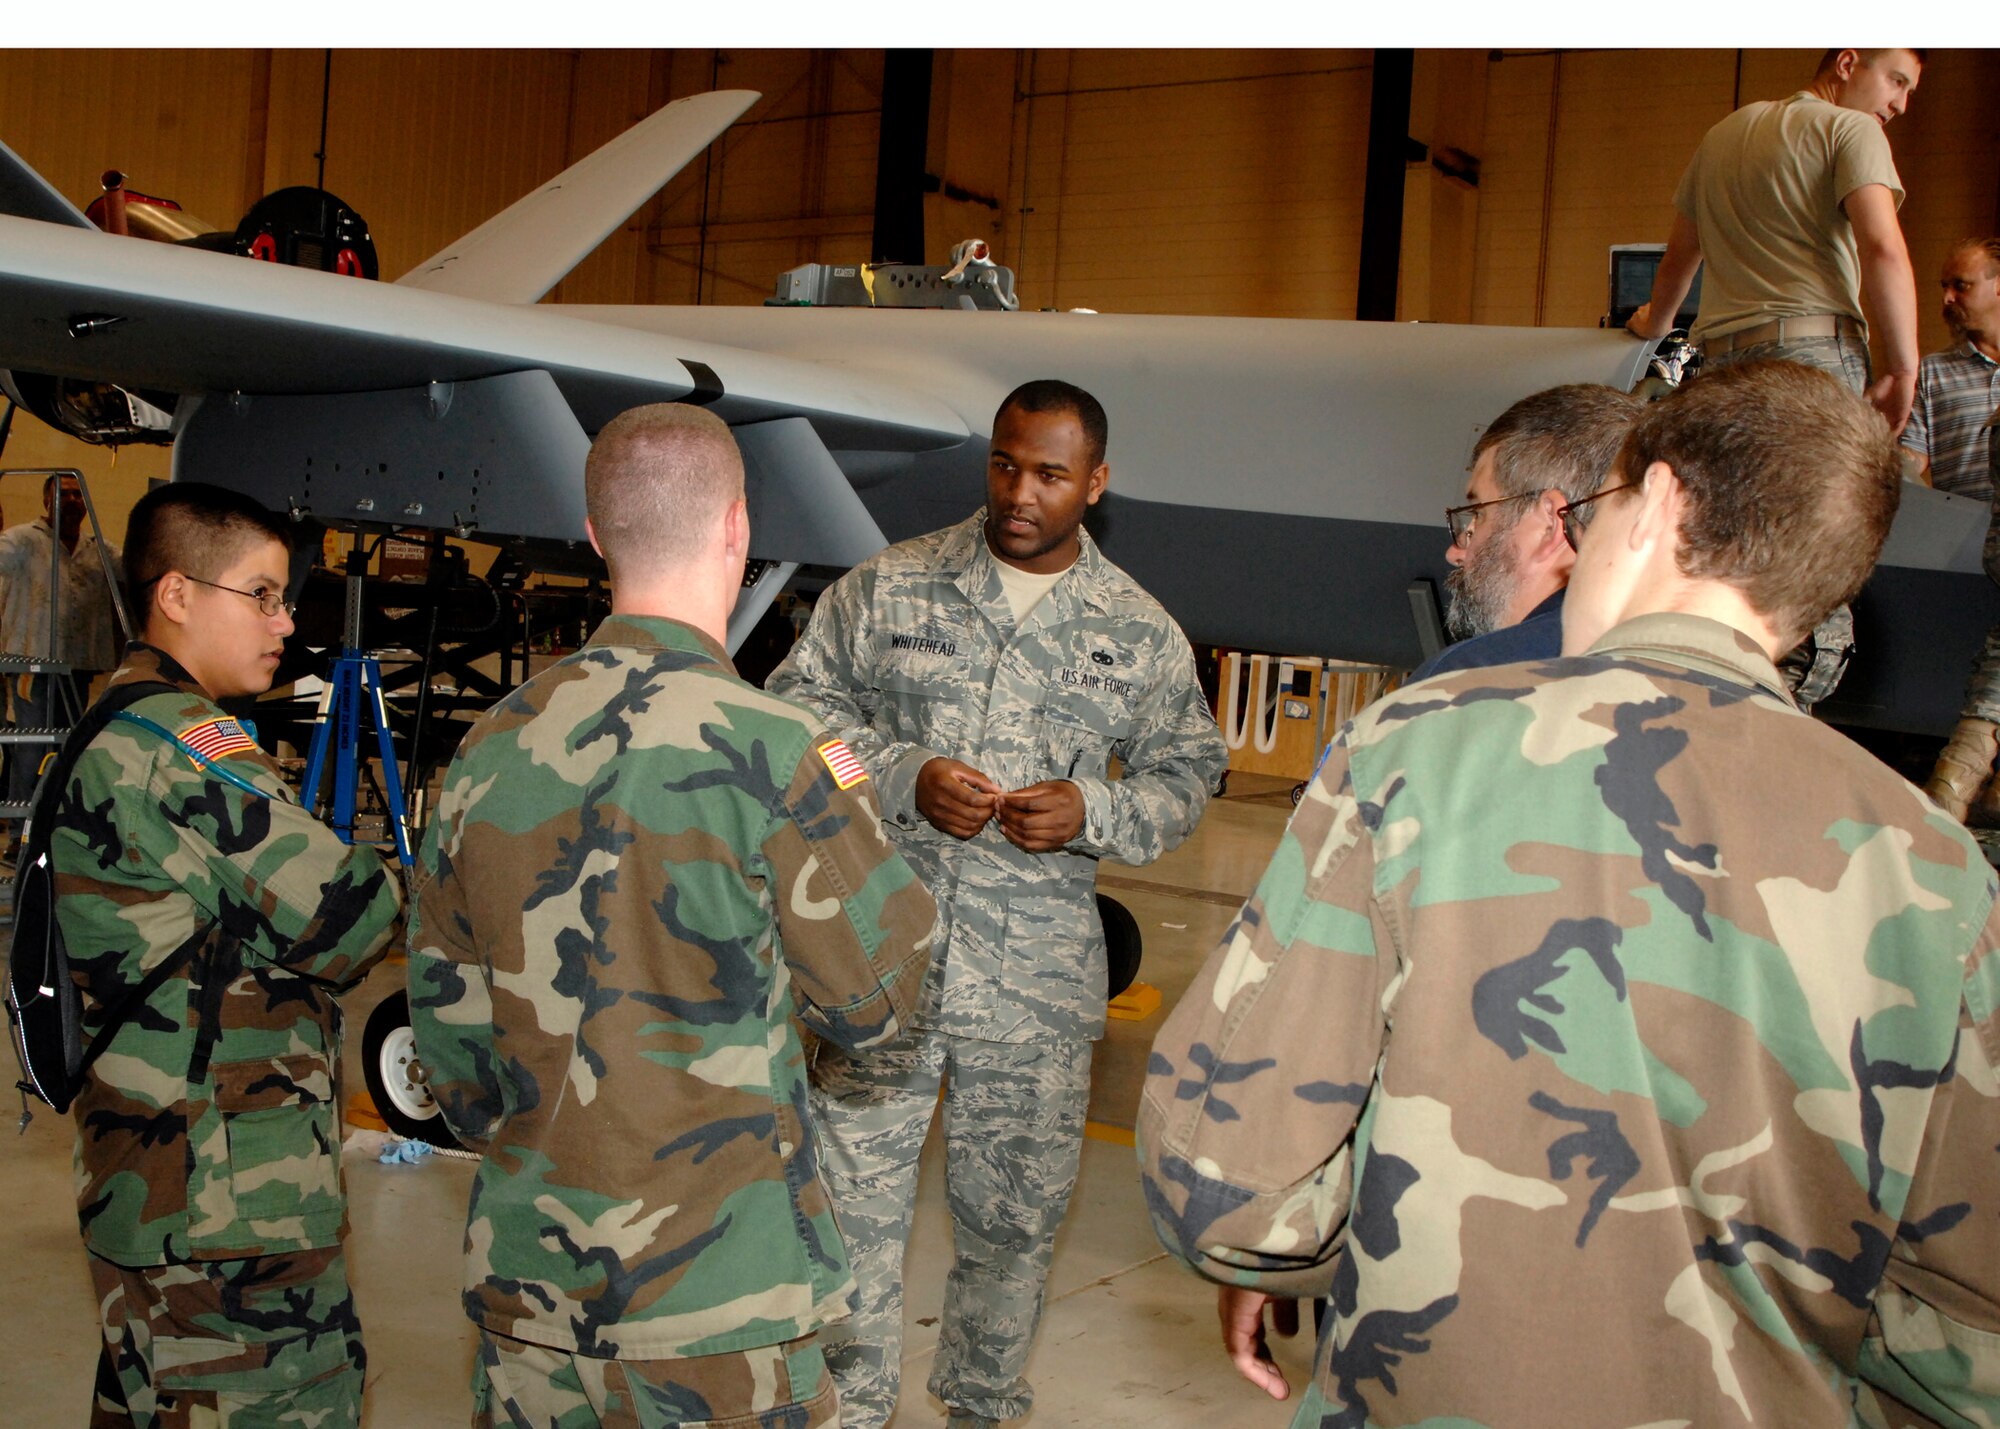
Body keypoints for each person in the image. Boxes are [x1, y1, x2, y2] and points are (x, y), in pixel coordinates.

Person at [1138, 360, 2000, 1428]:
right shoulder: (1934, 868)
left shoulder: (1419, 754)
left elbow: (1222, 1191)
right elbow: (1969, 1338)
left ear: (1659, 503)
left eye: (1593, 513)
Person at [407, 403, 938, 1429]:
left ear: (596, 535)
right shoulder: (779, 749)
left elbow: (455, 1054)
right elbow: (878, 1002)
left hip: (534, 1303)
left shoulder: (485, 750)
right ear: (737, 529)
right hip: (723, 1310)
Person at [767, 378, 1227, 1428]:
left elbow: (1190, 770)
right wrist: (895, 774)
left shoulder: (1137, 631)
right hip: (875, 965)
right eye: (1005, 464)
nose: (1020, 492)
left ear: (1095, 483)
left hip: (1035, 989)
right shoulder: (889, 587)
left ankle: (979, 1406)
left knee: (1012, 1228)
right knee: (849, 1221)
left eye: (1050, 474)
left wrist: (1095, 808)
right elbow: (797, 723)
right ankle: (850, 1412)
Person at [52, 481, 404, 1428]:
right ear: (175, 594)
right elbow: (353, 915)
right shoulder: (185, 748)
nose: (285, 622)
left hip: (148, 1171)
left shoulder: (109, 720)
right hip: (227, 1198)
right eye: (261, 594)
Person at [1627, 48, 1923, 435]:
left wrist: (1656, 324)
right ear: (1847, 64)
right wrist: (1903, 371)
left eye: (1909, 92)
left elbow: (1680, 257)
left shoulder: (1721, 134)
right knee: (1810, 495)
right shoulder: (1853, 128)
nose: (1900, 105)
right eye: (1896, 81)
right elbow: (1882, 248)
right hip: (1810, 359)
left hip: (1720, 368)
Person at [1414, 383, 1642, 680]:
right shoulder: (1686, 661)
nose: (1455, 552)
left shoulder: (1465, 682)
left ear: (1549, 525)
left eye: (1479, 514)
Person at [0, 471, 125, 815]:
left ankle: (51, 825)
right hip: (32, 661)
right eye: (63, 494)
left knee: (67, 744)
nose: (71, 501)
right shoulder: (22, 540)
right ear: (46, 500)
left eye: (77, 495)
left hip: (77, 666)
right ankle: (19, 831)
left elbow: (132, 572)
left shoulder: (98, 548)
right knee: (32, 745)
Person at [1902, 237, 2000, 499]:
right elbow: (1911, 461)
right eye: (1945, 287)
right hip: (1965, 534)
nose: (1947, 298)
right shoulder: (1930, 372)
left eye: (1961, 285)